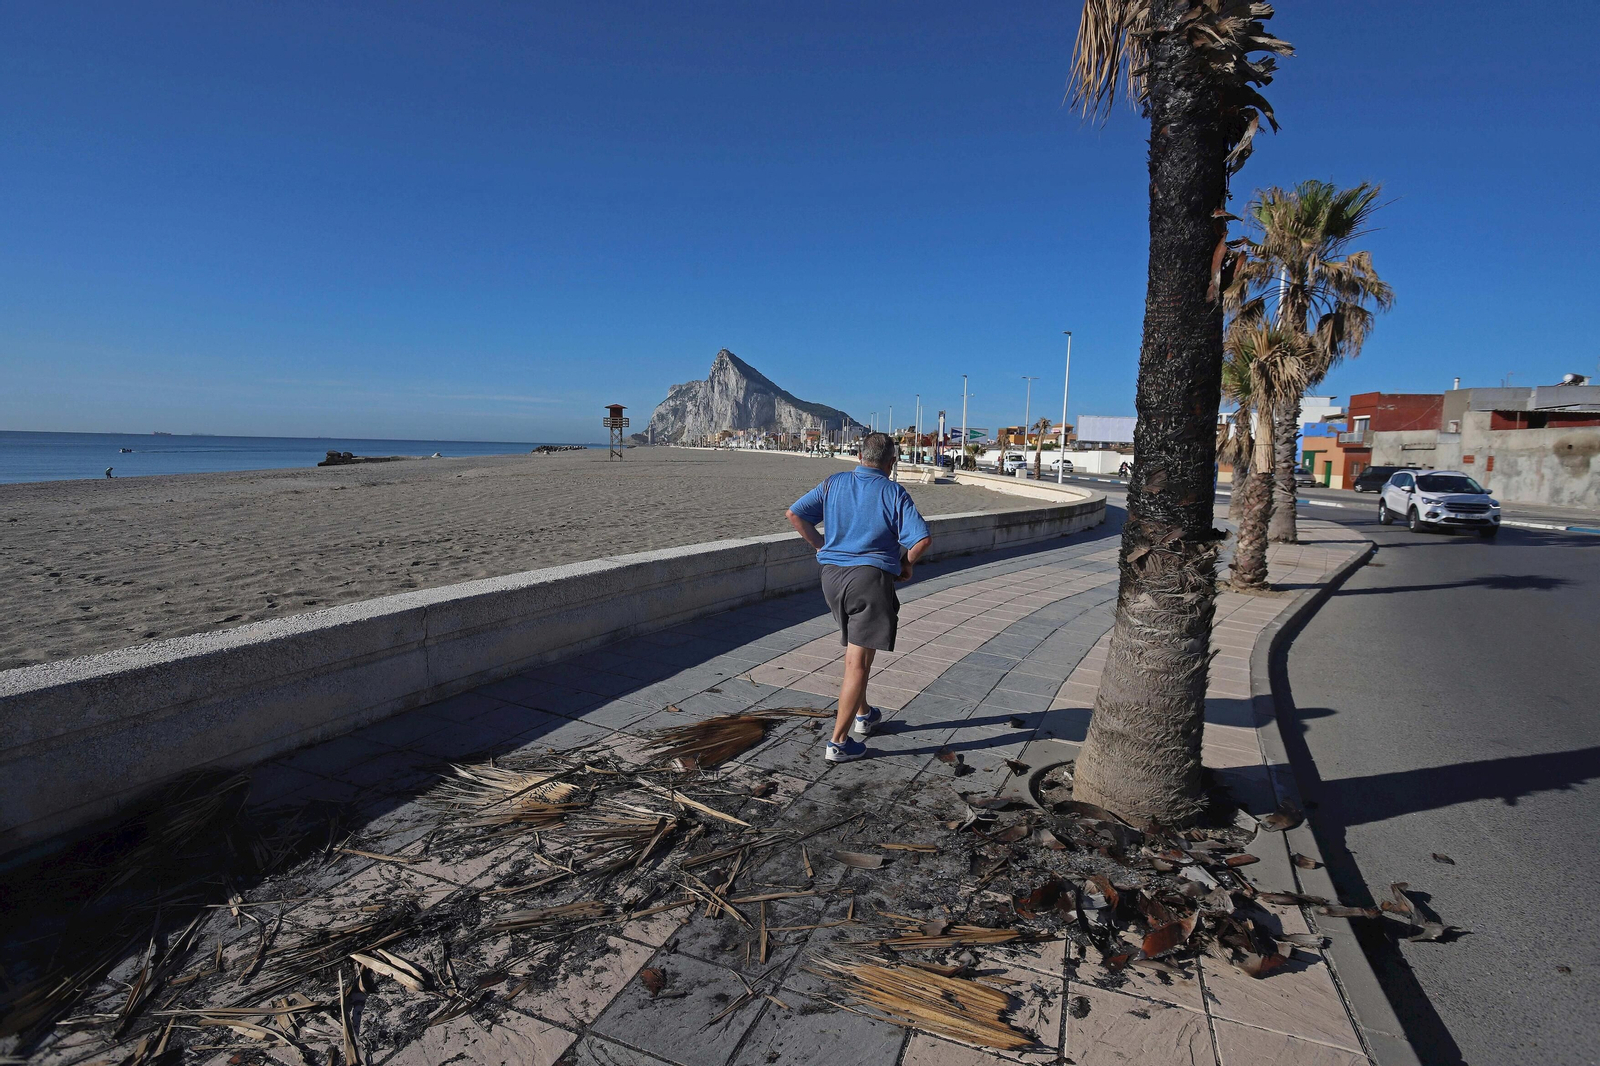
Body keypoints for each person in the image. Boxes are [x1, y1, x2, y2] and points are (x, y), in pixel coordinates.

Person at [785, 432, 932, 763]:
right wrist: (906, 565)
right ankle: (838, 743)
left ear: (859, 456)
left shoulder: (833, 483)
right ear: (891, 462)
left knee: (856, 651)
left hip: (831, 579)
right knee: (858, 662)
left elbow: (795, 514)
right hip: (869, 580)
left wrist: (822, 546)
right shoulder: (893, 492)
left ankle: (864, 714)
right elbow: (922, 540)